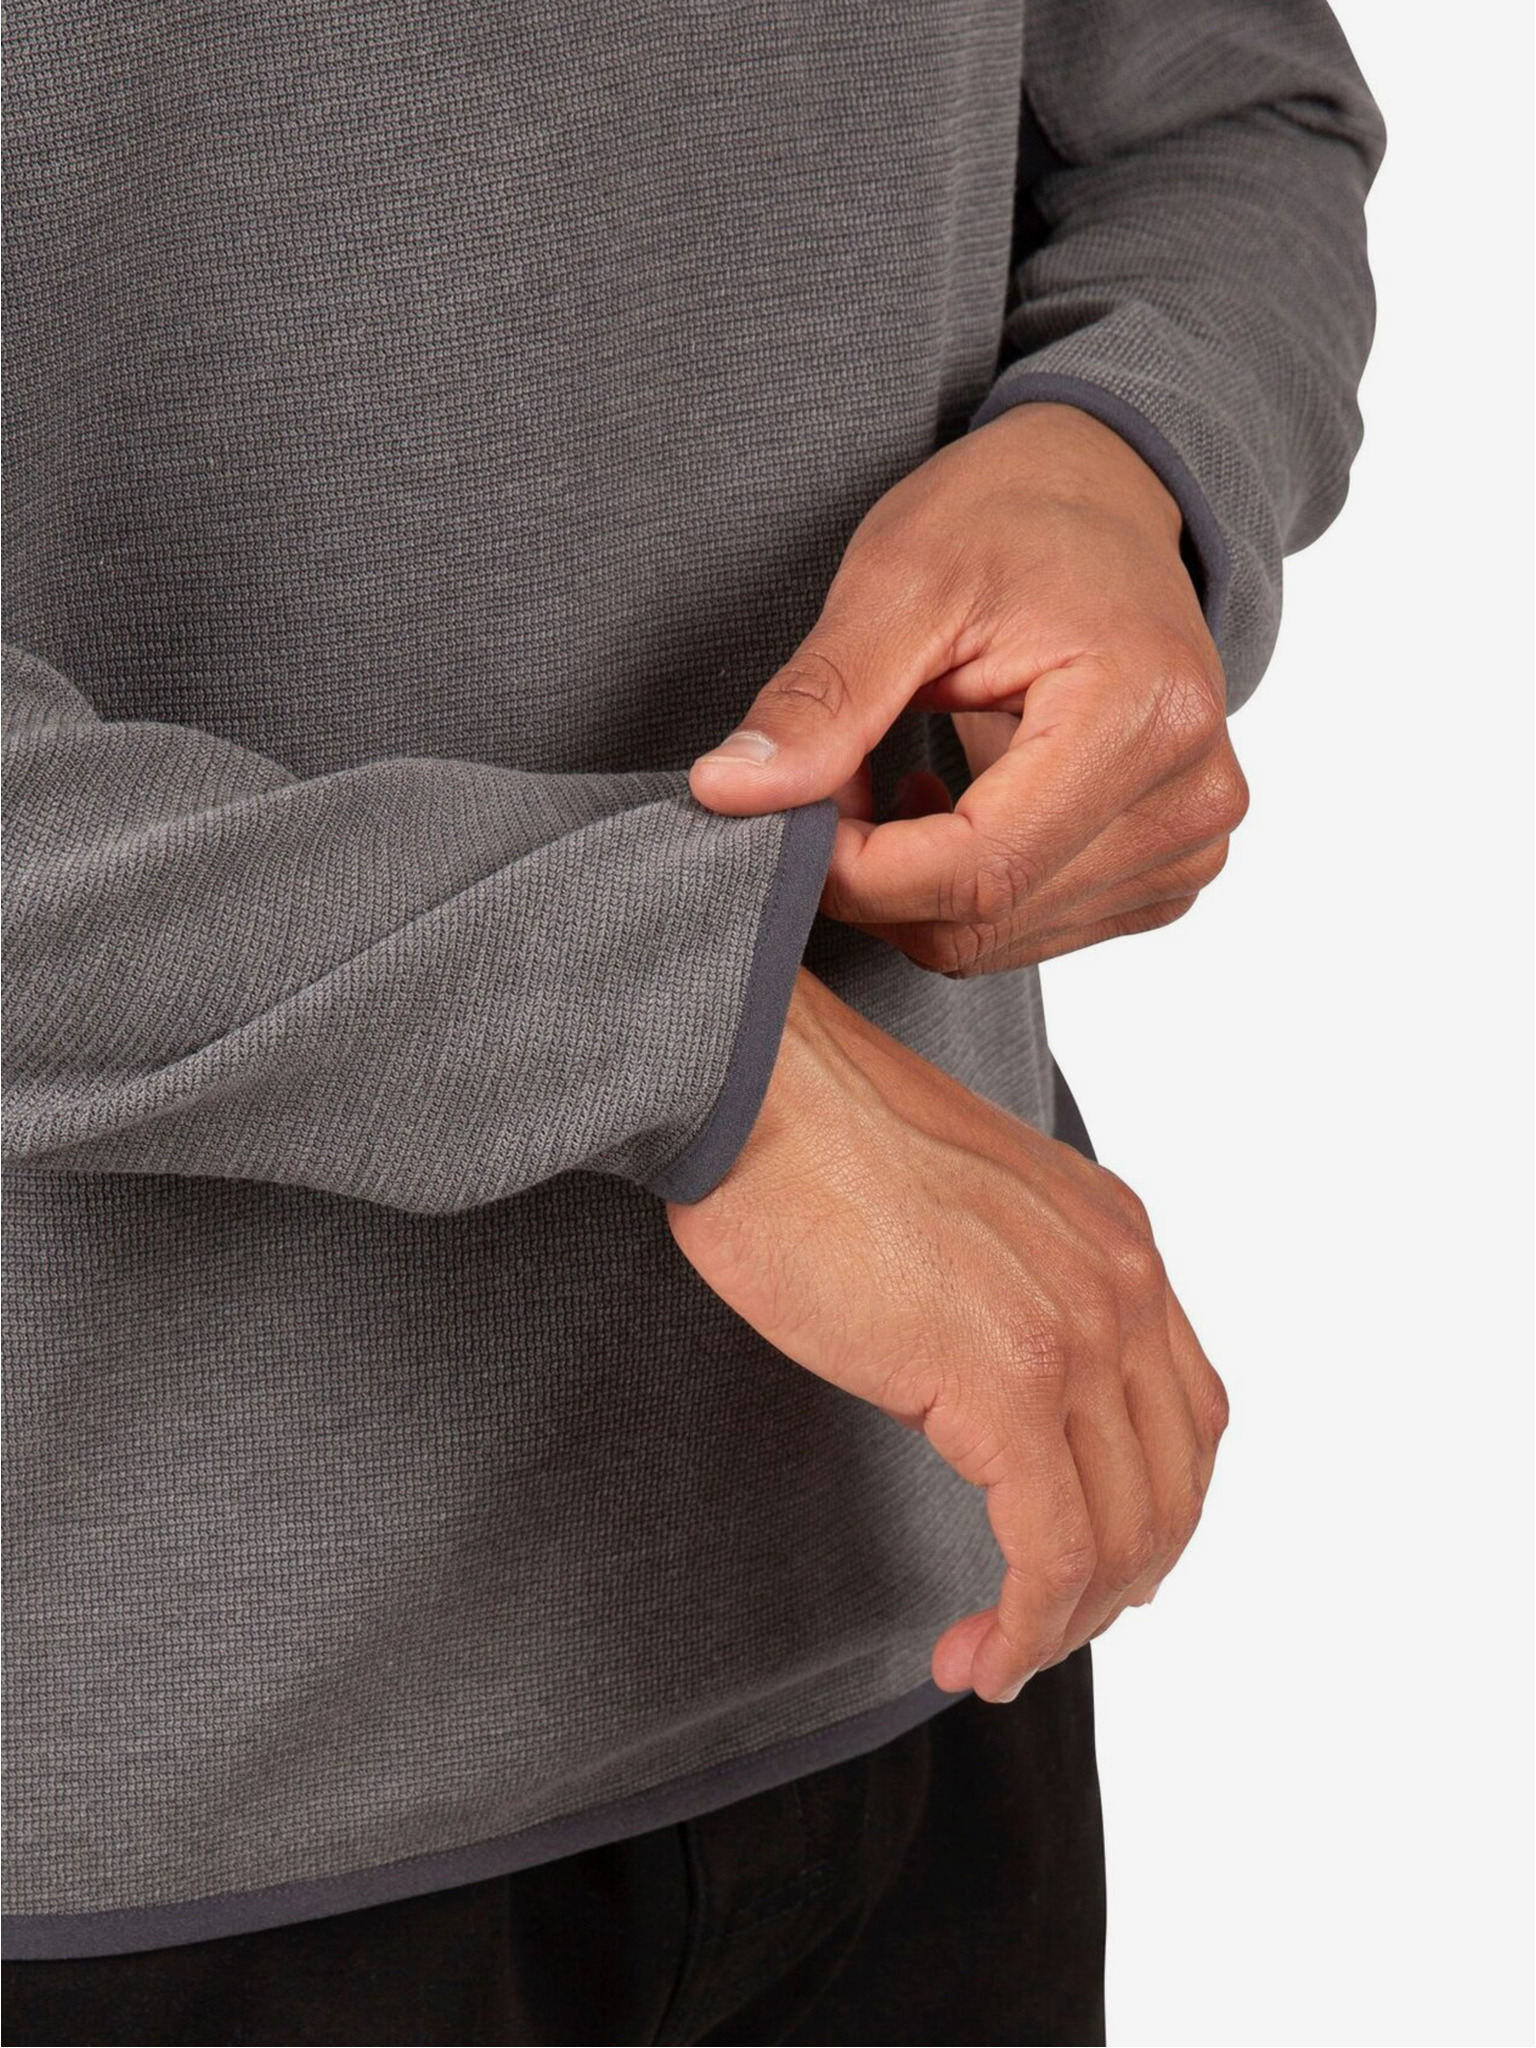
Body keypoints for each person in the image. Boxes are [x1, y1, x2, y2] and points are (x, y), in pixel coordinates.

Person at [0, 1, 1382, 2040]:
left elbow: (1226, 110)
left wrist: (1124, 460)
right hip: (138, 1811)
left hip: (913, 1614)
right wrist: (670, 1022)